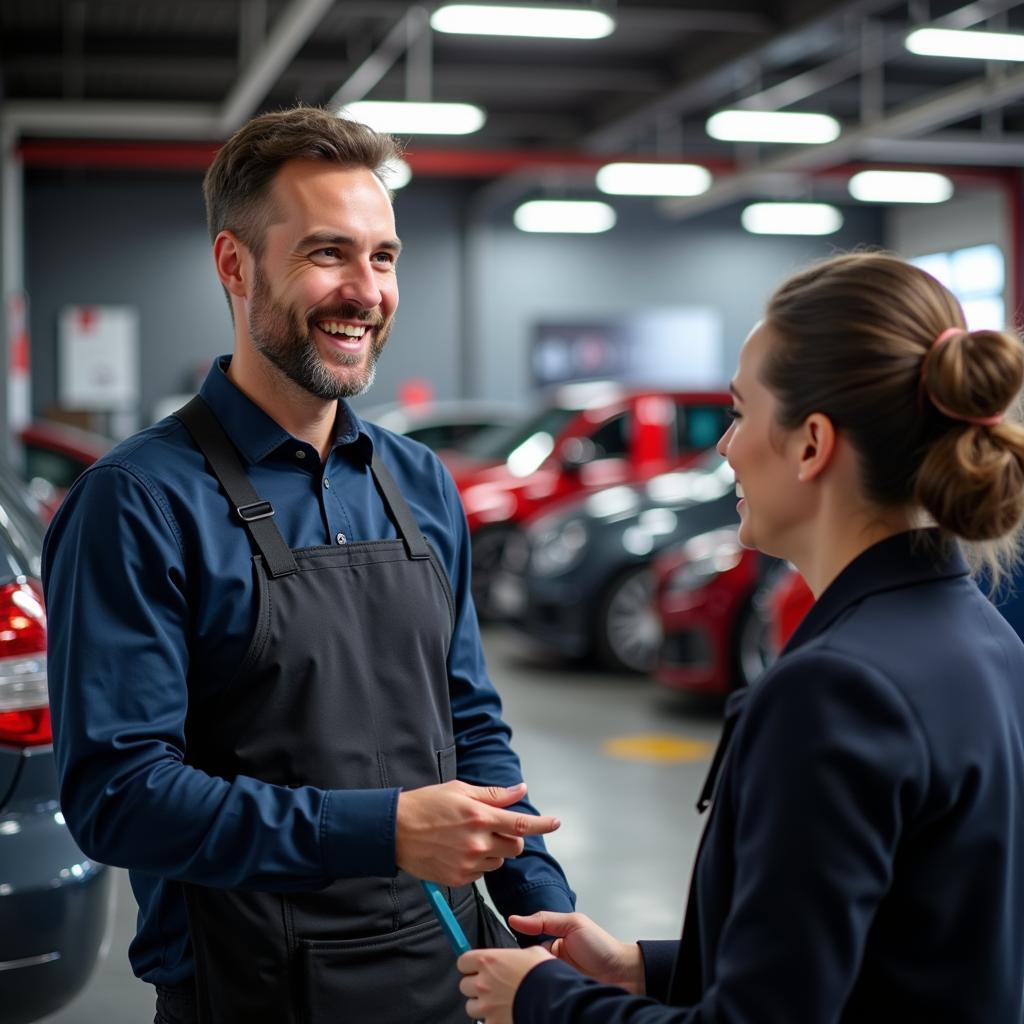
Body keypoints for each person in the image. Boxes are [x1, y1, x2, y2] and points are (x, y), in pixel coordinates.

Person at [42, 105, 575, 1024]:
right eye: (329, 253)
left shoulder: (418, 482)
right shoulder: (137, 501)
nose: (366, 291)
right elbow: (120, 797)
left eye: (384, 256)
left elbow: (468, 721)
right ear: (234, 265)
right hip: (250, 990)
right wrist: (384, 831)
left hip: (446, 972)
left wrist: (542, 901)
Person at [457, 251, 1024, 1023]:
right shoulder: (984, 640)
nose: (723, 448)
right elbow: (889, 950)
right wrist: (644, 968)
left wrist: (544, 999)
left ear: (811, 444)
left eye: (738, 412)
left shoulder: (837, 690)